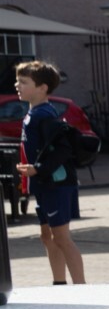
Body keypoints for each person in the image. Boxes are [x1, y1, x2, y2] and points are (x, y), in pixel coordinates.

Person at [13, 61, 85, 285]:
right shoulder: (33, 113)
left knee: (62, 238)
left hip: (56, 184)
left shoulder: (44, 115)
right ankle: (59, 284)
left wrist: (38, 169)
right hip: (44, 184)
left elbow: (63, 150)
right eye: (18, 81)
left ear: (42, 88)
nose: (17, 85)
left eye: (23, 82)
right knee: (47, 236)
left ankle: (82, 288)